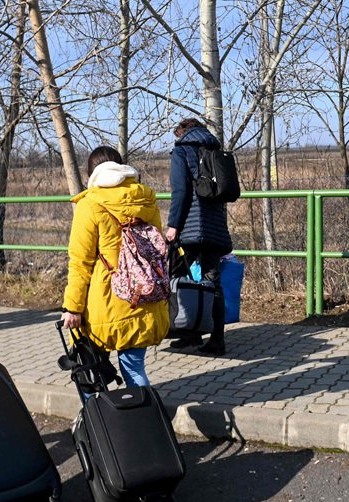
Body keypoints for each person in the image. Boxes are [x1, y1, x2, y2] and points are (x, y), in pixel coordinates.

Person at [60, 146, 169, 387]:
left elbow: (80, 262)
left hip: (105, 303)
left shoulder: (90, 204)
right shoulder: (146, 198)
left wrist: (73, 308)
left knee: (90, 373)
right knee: (134, 369)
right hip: (144, 297)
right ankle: (147, 420)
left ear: (91, 174)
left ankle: (98, 420)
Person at [165, 117, 233, 356]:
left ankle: (187, 332)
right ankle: (216, 340)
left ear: (182, 133)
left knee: (174, 275)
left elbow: (180, 192)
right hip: (214, 227)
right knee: (212, 282)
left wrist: (173, 225)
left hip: (190, 227)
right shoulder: (214, 151)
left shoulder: (181, 152)